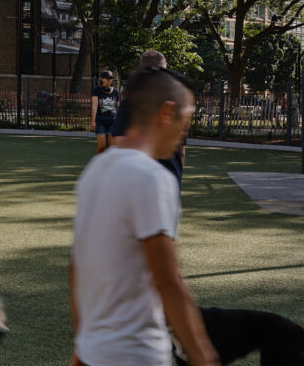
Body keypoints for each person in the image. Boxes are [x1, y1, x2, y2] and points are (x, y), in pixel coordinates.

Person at [70, 68, 219, 366]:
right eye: (185, 121)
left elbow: (75, 269)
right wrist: (203, 358)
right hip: (136, 354)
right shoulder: (153, 177)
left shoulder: (95, 169)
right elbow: (167, 282)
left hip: (93, 353)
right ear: (167, 113)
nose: (183, 133)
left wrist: (82, 346)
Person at [113, 50, 186, 187]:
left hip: (139, 181)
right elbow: (182, 151)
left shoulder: (131, 101)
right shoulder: (179, 103)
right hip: (170, 180)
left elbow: (119, 142)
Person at [90, 69, 120, 154]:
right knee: (102, 146)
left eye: (111, 78)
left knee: (110, 148)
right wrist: (93, 122)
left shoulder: (116, 91)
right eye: (108, 78)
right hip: (100, 121)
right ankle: (97, 166)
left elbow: (118, 107)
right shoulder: (97, 90)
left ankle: (108, 166)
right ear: (102, 79)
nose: (110, 80)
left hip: (112, 121)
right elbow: (94, 105)